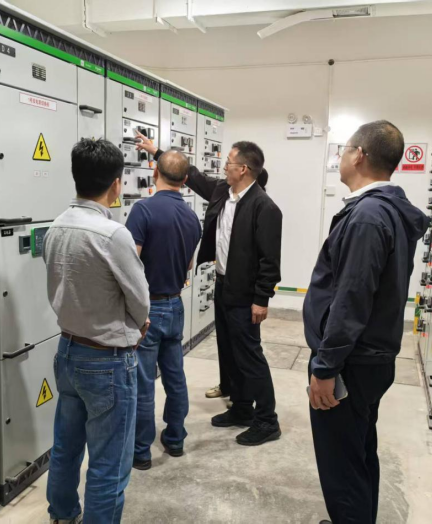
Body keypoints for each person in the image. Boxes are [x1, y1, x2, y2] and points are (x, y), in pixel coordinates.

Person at [303, 121, 429, 524]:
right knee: (357, 453)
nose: (340, 157)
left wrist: (326, 367)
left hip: (351, 363)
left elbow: (351, 299)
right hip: (370, 358)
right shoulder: (384, 210)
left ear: (358, 155)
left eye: (343, 149)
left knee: (341, 467)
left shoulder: (367, 217)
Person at [136, 134, 283, 446]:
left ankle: (267, 420)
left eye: (228, 163)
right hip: (223, 284)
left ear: (243, 169)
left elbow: (270, 261)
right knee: (229, 351)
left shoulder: (264, 207)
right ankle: (242, 408)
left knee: (250, 355)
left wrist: (261, 299)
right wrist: (157, 152)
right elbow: (189, 175)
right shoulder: (222, 192)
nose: (224, 167)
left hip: (246, 293)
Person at [44, 138, 151, 524]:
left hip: (68, 351)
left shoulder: (56, 226)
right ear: (116, 184)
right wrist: (139, 323)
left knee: (66, 446)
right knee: (109, 463)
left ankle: (62, 514)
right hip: (107, 362)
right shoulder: (112, 234)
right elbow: (140, 300)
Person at [124, 149, 202, 470]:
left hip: (148, 308)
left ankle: (141, 451)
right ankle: (175, 438)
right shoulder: (192, 218)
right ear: (185, 180)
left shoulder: (142, 211)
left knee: (144, 382)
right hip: (175, 305)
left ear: (154, 172)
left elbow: (129, 265)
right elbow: (189, 266)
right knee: (175, 377)